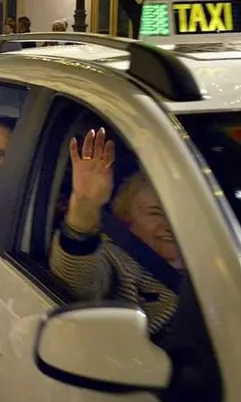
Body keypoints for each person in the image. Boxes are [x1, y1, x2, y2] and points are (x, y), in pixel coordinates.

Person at [49, 128, 181, 336]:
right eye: (156, 213)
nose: (171, 225)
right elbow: (76, 283)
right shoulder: (115, 259)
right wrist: (85, 204)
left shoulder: (220, 257)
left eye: (180, 214)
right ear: (125, 219)